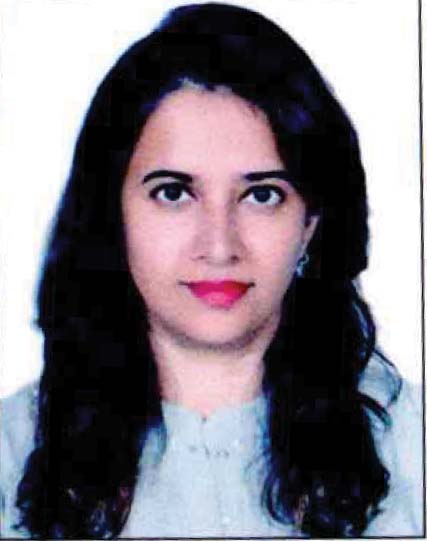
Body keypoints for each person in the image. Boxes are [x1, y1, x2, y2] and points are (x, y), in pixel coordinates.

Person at [0, 3, 423, 538]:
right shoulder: (12, 453)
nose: (219, 247)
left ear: (311, 223)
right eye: (173, 193)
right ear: (112, 214)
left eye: (262, 195)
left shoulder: (411, 444)